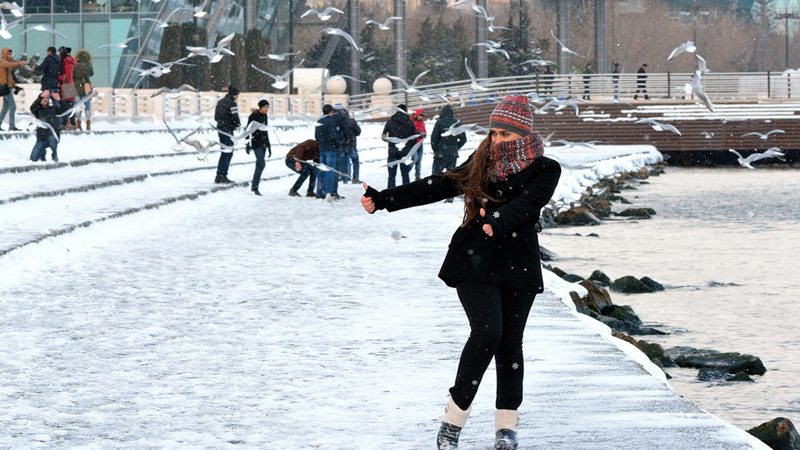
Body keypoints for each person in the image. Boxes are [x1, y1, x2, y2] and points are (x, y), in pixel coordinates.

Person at [360, 95, 561, 450]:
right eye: (494, 132)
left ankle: (506, 428)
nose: (496, 140)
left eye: (505, 134)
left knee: (510, 344)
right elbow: (440, 184)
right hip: (474, 257)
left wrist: (499, 220)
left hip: (518, 261)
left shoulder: (546, 168)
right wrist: (386, 199)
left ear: (524, 134)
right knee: (487, 333)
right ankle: (452, 423)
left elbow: (529, 202)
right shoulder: (482, 160)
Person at [430, 104, 468, 203]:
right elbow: (464, 139)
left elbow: (434, 139)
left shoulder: (439, 122)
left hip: (440, 154)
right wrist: (455, 148)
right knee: (451, 176)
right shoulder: (457, 123)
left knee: (436, 176)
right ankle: (450, 196)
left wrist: (436, 150)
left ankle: (433, 195)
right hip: (452, 155)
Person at [29, 90, 70, 162]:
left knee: (52, 140)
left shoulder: (53, 109)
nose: (45, 99)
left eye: (46, 98)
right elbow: (32, 107)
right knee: (33, 158)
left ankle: (54, 154)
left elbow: (66, 110)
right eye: (43, 98)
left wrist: (59, 100)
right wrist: (41, 96)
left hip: (53, 135)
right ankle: (42, 153)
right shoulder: (37, 110)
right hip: (41, 138)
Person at [382, 104, 417, 188]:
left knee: (391, 175)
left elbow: (383, 136)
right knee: (405, 175)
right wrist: (408, 145)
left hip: (393, 151)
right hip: (405, 152)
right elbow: (414, 137)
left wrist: (391, 142)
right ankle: (405, 192)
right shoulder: (409, 122)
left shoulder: (390, 121)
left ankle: (390, 193)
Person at [214, 85, 241, 183]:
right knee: (228, 152)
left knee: (224, 152)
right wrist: (237, 124)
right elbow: (235, 116)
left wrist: (221, 122)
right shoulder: (232, 103)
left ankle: (219, 175)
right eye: (237, 95)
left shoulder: (220, 102)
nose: (237, 97)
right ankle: (223, 175)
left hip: (220, 128)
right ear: (234, 94)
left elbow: (216, 116)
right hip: (228, 129)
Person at [314, 104, 343, 199]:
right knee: (330, 171)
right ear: (331, 112)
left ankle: (319, 191)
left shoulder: (319, 121)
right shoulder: (330, 122)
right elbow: (332, 136)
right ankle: (329, 192)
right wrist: (337, 144)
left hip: (322, 148)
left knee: (321, 170)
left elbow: (316, 136)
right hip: (331, 149)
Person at [245, 99, 271, 196]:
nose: (267, 109)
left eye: (268, 107)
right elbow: (248, 130)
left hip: (263, 143)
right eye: (265, 107)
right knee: (261, 164)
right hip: (256, 143)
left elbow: (265, 130)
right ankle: (254, 187)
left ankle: (255, 187)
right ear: (261, 107)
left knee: (260, 165)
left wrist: (268, 145)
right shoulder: (254, 116)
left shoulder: (265, 116)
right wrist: (247, 143)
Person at [0, 47, 26, 132]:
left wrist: (15, 87)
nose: (10, 56)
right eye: (8, 54)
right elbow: (8, 65)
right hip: (4, 87)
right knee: (13, 106)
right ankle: (12, 125)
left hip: (7, 87)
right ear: (4, 54)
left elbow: (10, 79)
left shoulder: (7, 63)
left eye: (10, 54)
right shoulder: (3, 61)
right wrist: (19, 63)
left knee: (5, 107)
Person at [337, 105, 362, 184]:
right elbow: (358, 132)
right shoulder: (352, 122)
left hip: (342, 145)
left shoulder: (337, 122)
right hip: (352, 145)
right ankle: (355, 178)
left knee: (343, 162)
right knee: (355, 161)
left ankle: (344, 178)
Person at [331, 103, 351, 197]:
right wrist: (346, 139)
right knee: (336, 168)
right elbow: (345, 129)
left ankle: (324, 191)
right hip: (337, 144)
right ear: (341, 110)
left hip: (326, 146)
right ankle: (334, 191)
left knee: (326, 169)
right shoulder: (341, 118)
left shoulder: (328, 117)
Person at [72, 49, 94, 131]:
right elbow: (91, 74)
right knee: (87, 106)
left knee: (78, 106)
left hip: (77, 88)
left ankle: (78, 123)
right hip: (87, 87)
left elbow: (73, 76)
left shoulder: (75, 65)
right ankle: (88, 122)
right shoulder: (89, 65)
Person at [58, 47, 76, 130]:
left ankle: (70, 123)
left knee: (68, 105)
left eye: (59, 53)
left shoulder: (67, 61)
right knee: (68, 105)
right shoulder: (67, 60)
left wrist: (58, 77)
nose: (58, 54)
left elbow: (67, 75)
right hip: (66, 85)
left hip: (67, 86)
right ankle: (69, 123)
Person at [411, 108, 427, 181]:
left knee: (419, 160)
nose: (421, 117)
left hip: (420, 143)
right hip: (414, 143)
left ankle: (417, 175)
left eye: (422, 116)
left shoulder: (422, 123)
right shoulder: (412, 122)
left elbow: (425, 132)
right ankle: (407, 169)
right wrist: (419, 133)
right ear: (417, 115)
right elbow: (412, 132)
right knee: (415, 159)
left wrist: (424, 135)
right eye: (420, 115)